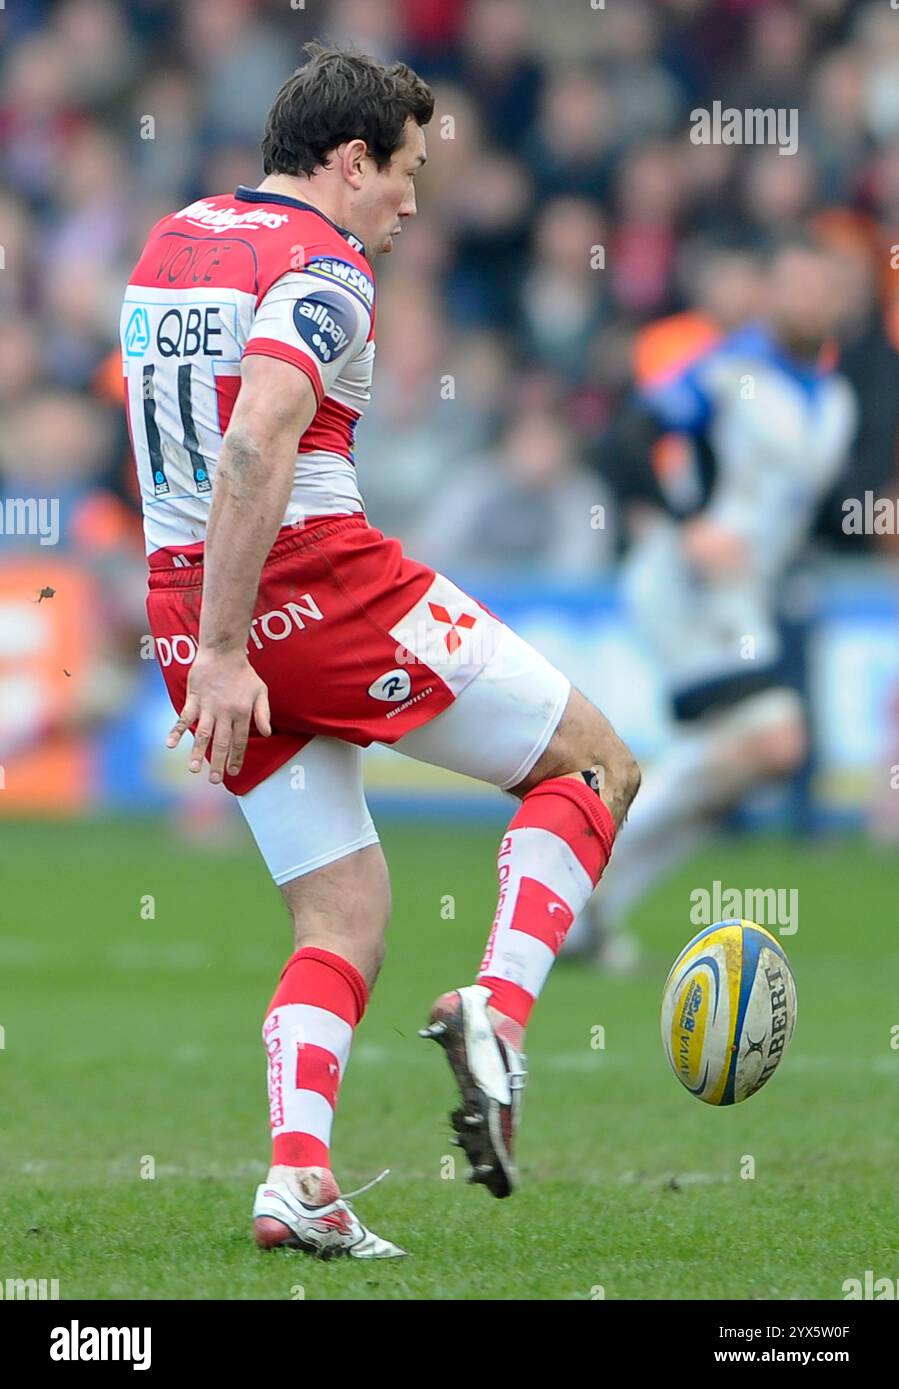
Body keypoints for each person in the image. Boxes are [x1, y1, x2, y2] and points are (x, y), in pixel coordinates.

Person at [120, 44, 639, 1259]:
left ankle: (297, 1178)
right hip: (308, 588)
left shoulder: (170, 241)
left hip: (182, 599)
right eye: (404, 172)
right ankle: (497, 1017)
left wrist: (206, 642)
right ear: (349, 162)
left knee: (340, 917)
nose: (412, 200)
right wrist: (235, 647)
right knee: (593, 768)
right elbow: (255, 444)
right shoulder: (327, 266)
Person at [572, 238, 855, 969]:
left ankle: (590, 907)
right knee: (773, 740)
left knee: (734, 769)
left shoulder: (835, 404)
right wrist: (684, 521)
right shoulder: (728, 373)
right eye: (790, 283)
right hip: (682, 588)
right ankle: (580, 880)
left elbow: (794, 515)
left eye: (817, 287)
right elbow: (625, 439)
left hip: (743, 605)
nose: (803, 300)